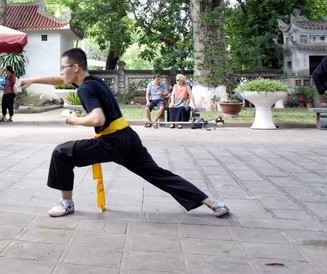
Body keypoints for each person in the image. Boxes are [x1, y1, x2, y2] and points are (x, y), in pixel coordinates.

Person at [19, 48, 229, 218]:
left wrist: (73, 119)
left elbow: (98, 119)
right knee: (157, 173)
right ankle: (212, 202)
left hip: (111, 142)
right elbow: (59, 79)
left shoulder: (84, 89)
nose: (61, 72)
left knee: (61, 153)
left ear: (75, 67)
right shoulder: (94, 81)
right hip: (128, 138)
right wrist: (31, 80)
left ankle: (66, 202)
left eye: (63, 67)